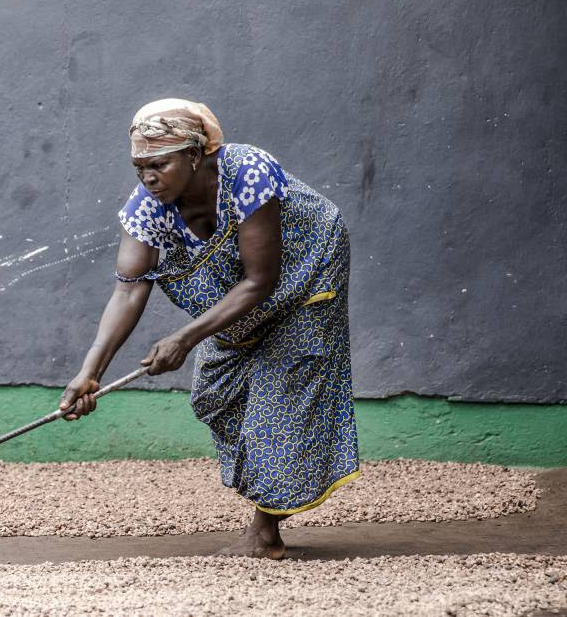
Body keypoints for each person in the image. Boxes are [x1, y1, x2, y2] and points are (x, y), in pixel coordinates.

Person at [59, 98, 359, 559]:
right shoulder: (148, 207)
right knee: (216, 393)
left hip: (306, 271)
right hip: (245, 290)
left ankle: (265, 532)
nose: (147, 178)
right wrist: (90, 371)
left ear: (195, 155)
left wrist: (184, 337)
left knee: (282, 393)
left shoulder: (247, 172)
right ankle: (267, 486)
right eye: (139, 167)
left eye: (159, 164)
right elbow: (128, 289)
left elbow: (261, 280)